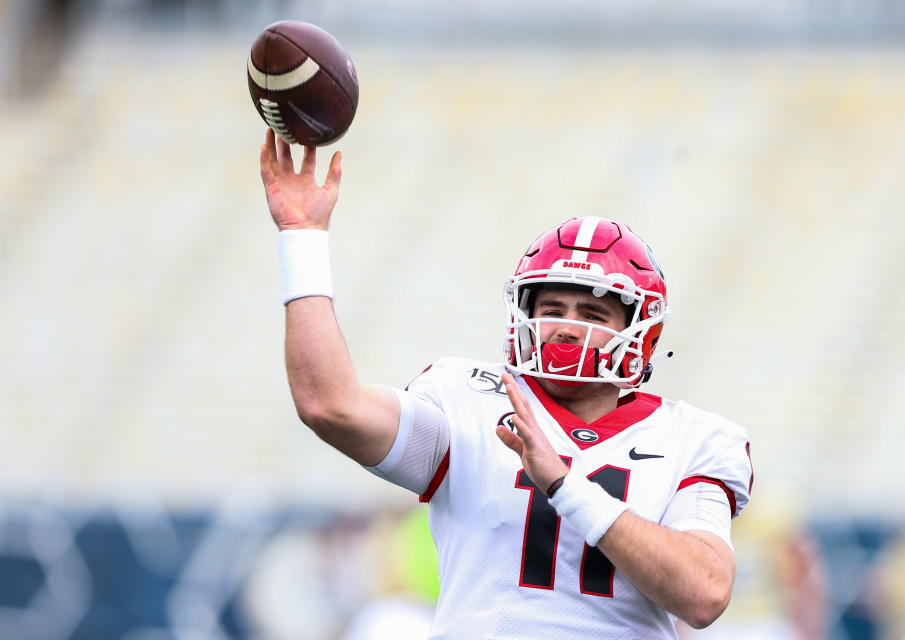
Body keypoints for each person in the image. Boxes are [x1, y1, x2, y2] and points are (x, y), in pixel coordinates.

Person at [259, 128, 754, 639]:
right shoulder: (466, 397)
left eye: (592, 312)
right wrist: (302, 237)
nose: (565, 326)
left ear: (639, 332)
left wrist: (566, 486)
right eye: (552, 308)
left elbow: (705, 593)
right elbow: (328, 405)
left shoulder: (694, 439)